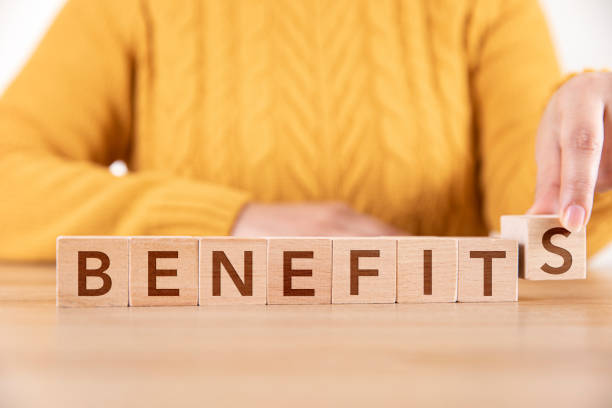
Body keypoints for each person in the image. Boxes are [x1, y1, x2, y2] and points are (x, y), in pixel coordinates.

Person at [0, 0, 610, 261]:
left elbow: (533, 236)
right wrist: (223, 221)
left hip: (436, 381)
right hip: (190, 381)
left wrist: (592, 166)